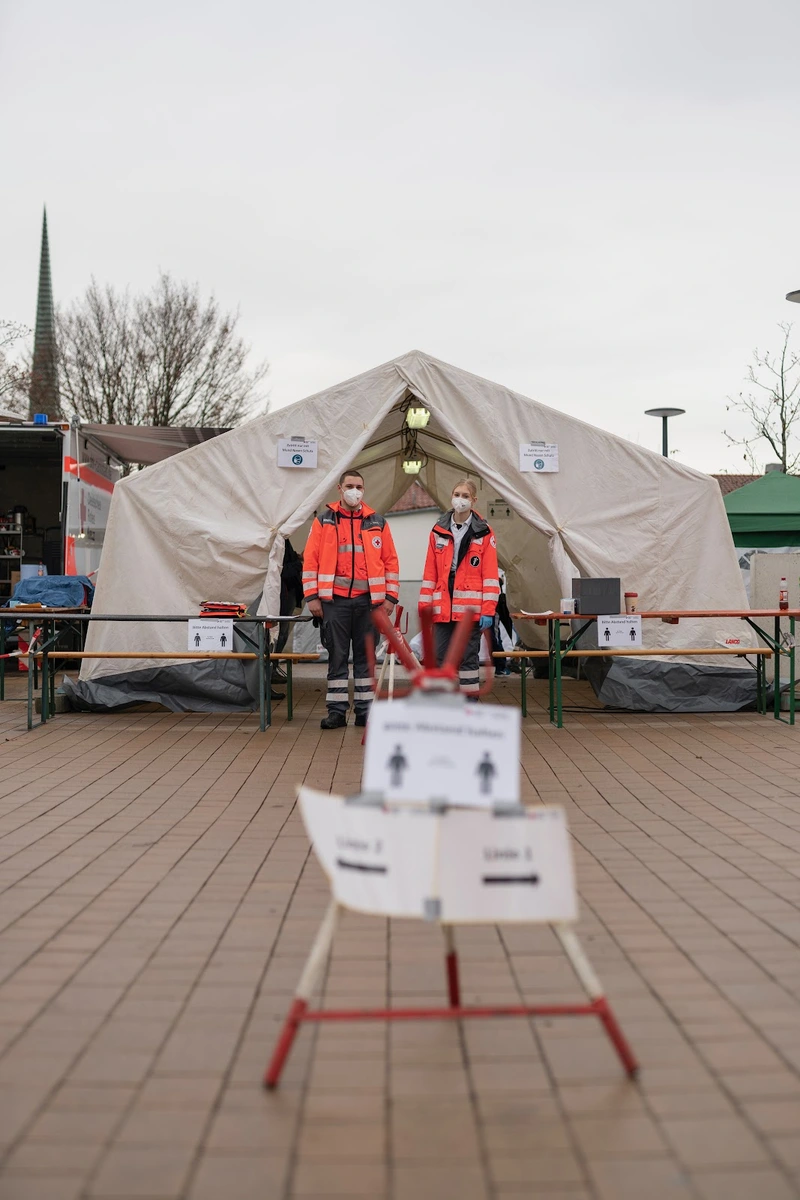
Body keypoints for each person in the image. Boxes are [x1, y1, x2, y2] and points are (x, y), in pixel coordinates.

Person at [303, 469, 400, 729]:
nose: (354, 491)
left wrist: (390, 597)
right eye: (349, 486)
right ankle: (336, 711)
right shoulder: (324, 521)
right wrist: (312, 597)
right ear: (339, 488)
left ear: (363, 490)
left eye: (359, 487)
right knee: (337, 657)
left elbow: (390, 561)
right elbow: (310, 561)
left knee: (366, 658)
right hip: (334, 602)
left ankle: (365, 711)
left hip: (370, 603)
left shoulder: (377, 521)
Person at [419, 479, 500, 696]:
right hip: (443, 607)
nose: (460, 499)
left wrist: (488, 609)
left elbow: (490, 576)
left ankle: (469, 704)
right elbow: (430, 574)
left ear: (474, 500)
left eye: (465, 496)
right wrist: (424, 607)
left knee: (467, 659)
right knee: (438, 656)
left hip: (470, 610)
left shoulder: (484, 532)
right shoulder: (438, 530)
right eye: (457, 494)